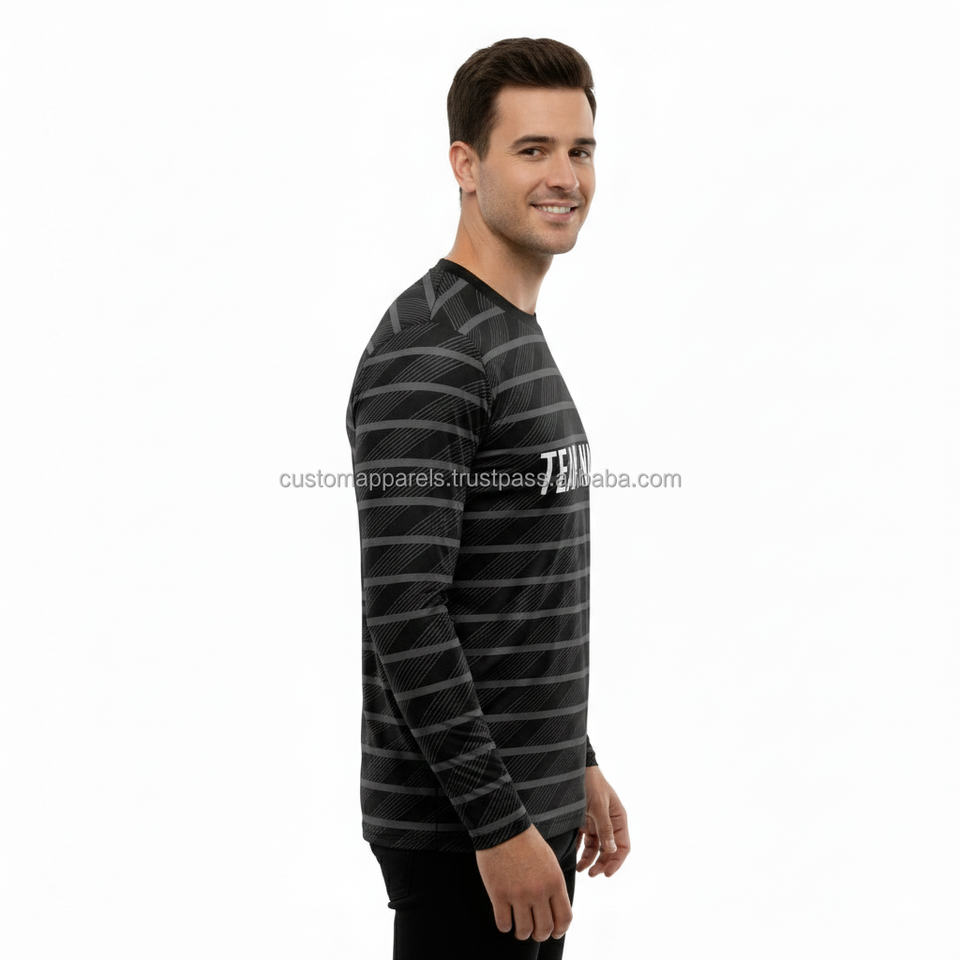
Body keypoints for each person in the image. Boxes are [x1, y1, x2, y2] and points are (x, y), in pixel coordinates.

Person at [345, 37, 630, 960]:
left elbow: (508, 588)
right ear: (466, 166)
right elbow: (409, 613)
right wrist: (499, 824)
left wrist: (573, 757)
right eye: (532, 149)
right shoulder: (433, 352)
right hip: (463, 832)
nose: (565, 177)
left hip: (523, 805)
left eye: (580, 149)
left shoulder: (505, 331)